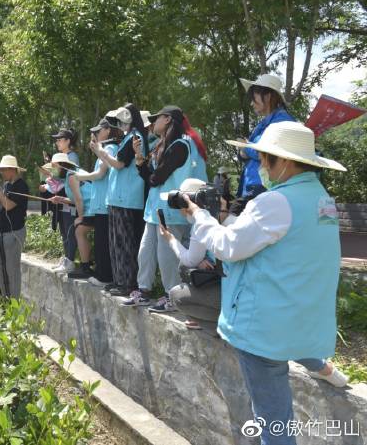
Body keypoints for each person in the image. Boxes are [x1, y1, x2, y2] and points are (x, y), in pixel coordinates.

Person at [185, 121, 347, 445]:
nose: (260, 166)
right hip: (301, 314)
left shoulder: (275, 202)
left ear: (283, 161)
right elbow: (288, 245)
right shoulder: (322, 200)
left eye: (264, 159)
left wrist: (199, 217)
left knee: (273, 422)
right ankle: (326, 370)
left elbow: (228, 247)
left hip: (265, 326)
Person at [125, 105, 208, 311]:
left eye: (157, 118)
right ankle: (143, 291)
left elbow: (155, 178)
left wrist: (143, 165)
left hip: (171, 212)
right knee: (146, 251)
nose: (153, 123)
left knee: (167, 256)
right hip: (155, 210)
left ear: (168, 119)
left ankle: (172, 296)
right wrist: (139, 158)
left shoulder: (180, 146)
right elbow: (152, 178)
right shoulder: (165, 145)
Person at [159, 178, 233, 330]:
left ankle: (218, 327)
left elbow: (189, 260)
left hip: (231, 295)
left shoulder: (201, 225)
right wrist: (201, 260)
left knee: (176, 293)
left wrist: (170, 239)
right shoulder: (227, 217)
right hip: (240, 291)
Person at [93, 105, 149, 302]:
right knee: (116, 242)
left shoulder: (135, 137)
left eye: (121, 118)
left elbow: (118, 164)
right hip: (119, 198)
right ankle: (119, 281)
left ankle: (127, 283)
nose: (119, 123)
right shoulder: (128, 137)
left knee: (125, 243)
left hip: (127, 199)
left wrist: (100, 151)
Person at [74, 119, 124, 286]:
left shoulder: (109, 148)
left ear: (108, 131)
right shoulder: (107, 148)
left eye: (98, 131)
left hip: (104, 203)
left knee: (103, 241)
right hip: (103, 202)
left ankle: (104, 276)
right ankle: (103, 273)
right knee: (102, 240)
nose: (94, 134)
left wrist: (80, 177)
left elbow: (100, 174)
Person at [235, 74, 294, 206]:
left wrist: (245, 147)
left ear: (267, 96)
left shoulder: (282, 121)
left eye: (254, 98)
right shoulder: (264, 123)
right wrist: (244, 151)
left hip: (263, 189)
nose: (251, 103)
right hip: (253, 187)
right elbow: (251, 151)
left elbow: (268, 151)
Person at [45, 153, 94, 279]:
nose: (52, 170)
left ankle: (86, 267)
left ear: (62, 165)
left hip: (94, 207)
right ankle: (87, 264)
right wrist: (61, 199)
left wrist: (81, 217)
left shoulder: (72, 176)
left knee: (79, 230)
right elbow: (75, 199)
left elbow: (78, 199)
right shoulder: (69, 175)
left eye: (54, 167)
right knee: (80, 232)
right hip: (90, 207)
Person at [0, 155, 29, 298]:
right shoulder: (7, 185)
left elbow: (8, 205)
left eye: (3, 170)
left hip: (14, 233)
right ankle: (7, 297)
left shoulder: (21, 186)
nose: (1, 173)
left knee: (12, 270)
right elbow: (1, 204)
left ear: (12, 169)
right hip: (2, 232)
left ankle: (14, 302)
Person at [42, 128, 80, 273]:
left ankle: (70, 261)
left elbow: (69, 177)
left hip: (69, 197)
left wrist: (50, 173)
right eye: (56, 139)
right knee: (64, 229)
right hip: (61, 197)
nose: (57, 142)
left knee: (70, 229)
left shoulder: (72, 157)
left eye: (60, 139)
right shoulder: (62, 156)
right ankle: (66, 259)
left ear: (68, 141)